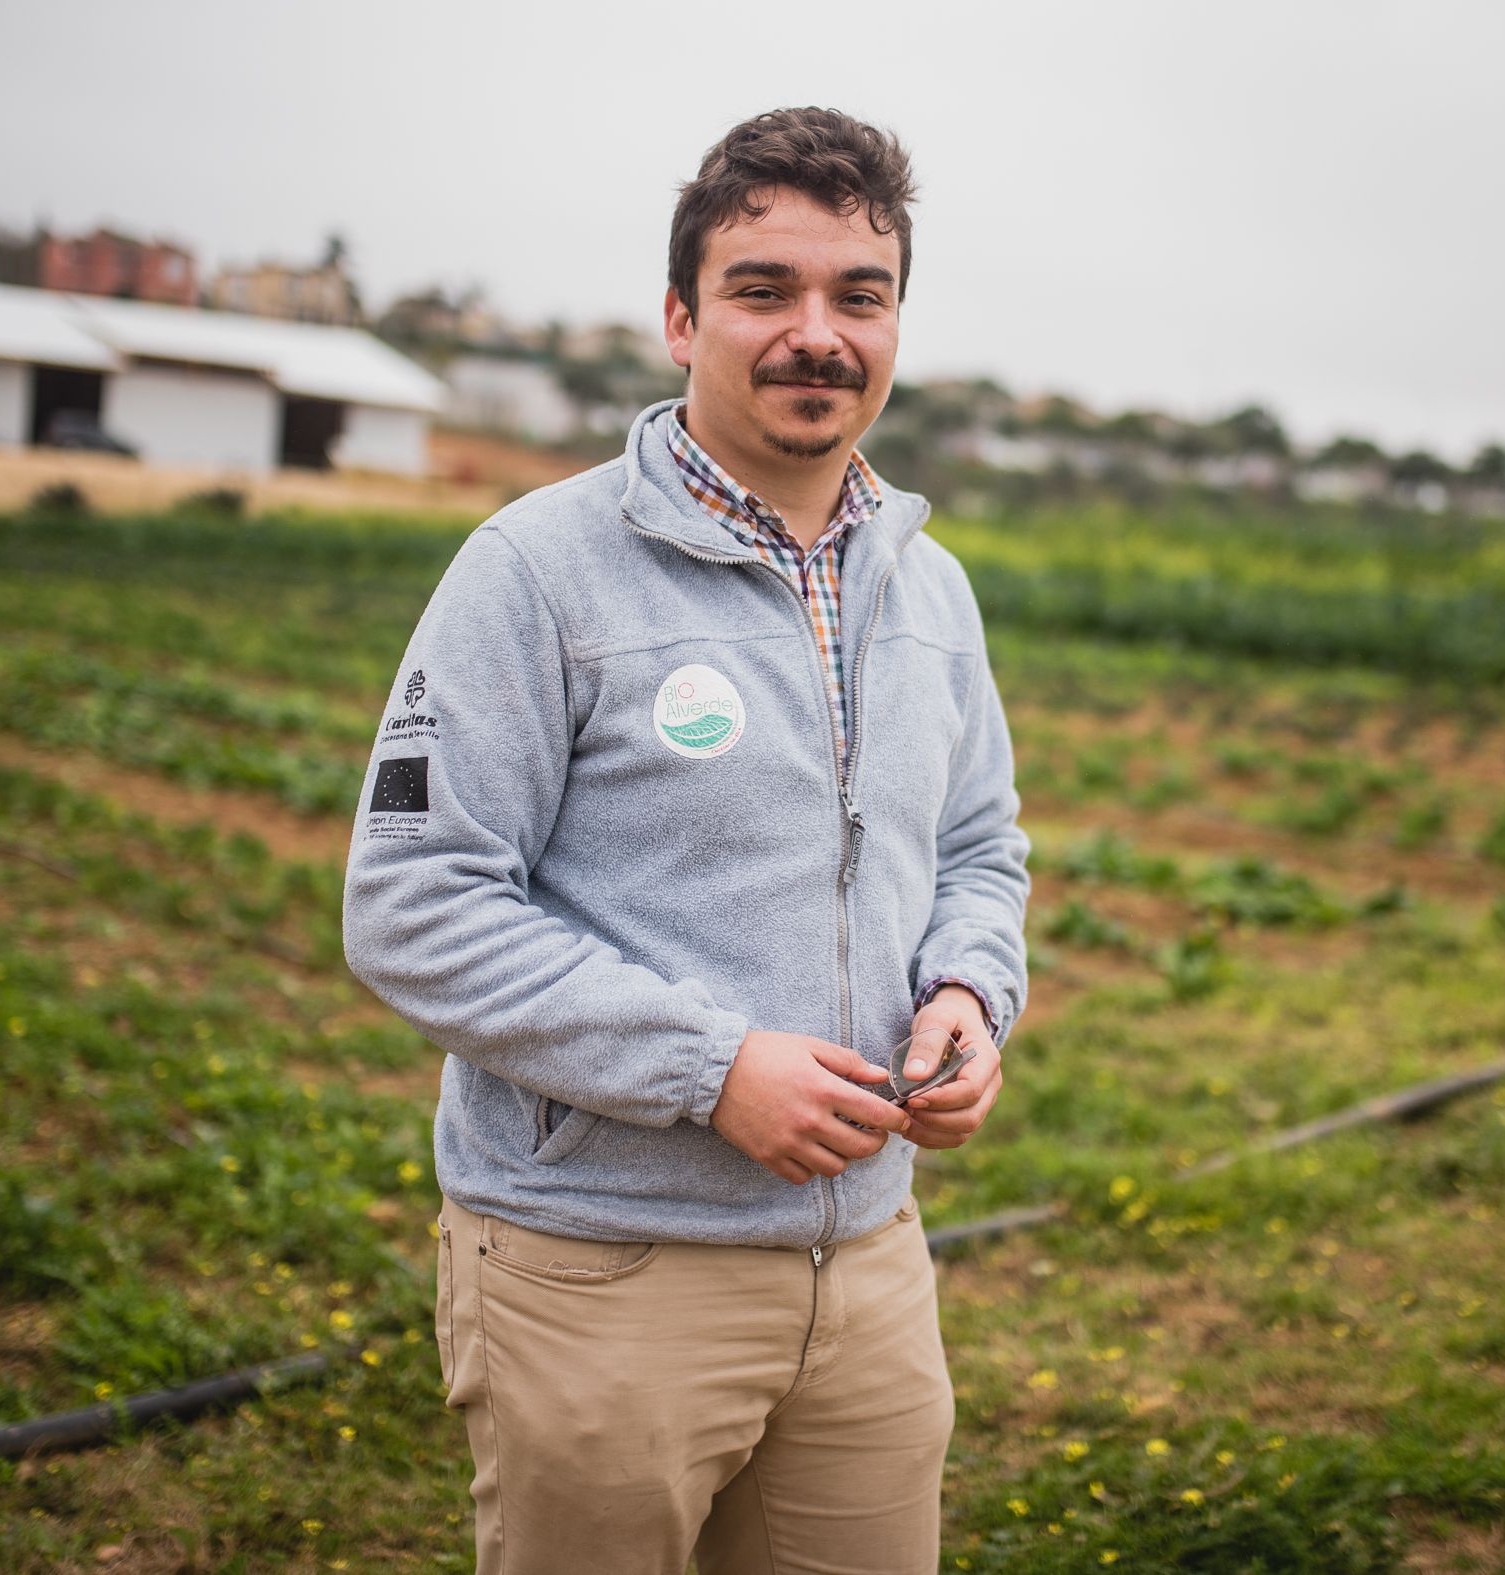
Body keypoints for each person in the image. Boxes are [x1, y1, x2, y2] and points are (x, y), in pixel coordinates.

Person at [343, 105, 1030, 1575]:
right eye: (763, 290)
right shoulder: (535, 571)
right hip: (605, 1268)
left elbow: (978, 846)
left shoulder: (932, 592)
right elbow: (414, 902)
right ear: (679, 317)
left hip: (866, 1268)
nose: (817, 335)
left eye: (861, 294)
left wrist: (972, 993)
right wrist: (712, 1070)